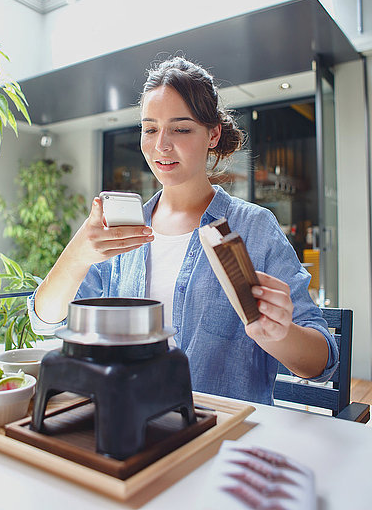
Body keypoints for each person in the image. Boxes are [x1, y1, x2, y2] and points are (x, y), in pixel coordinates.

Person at [29, 56, 338, 405]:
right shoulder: (122, 232)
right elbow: (46, 320)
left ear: (213, 134)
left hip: (219, 436)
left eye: (181, 128)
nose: (161, 145)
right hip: (129, 424)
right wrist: (78, 254)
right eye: (150, 128)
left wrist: (278, 335)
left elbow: (322, 361)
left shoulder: (253, 227)